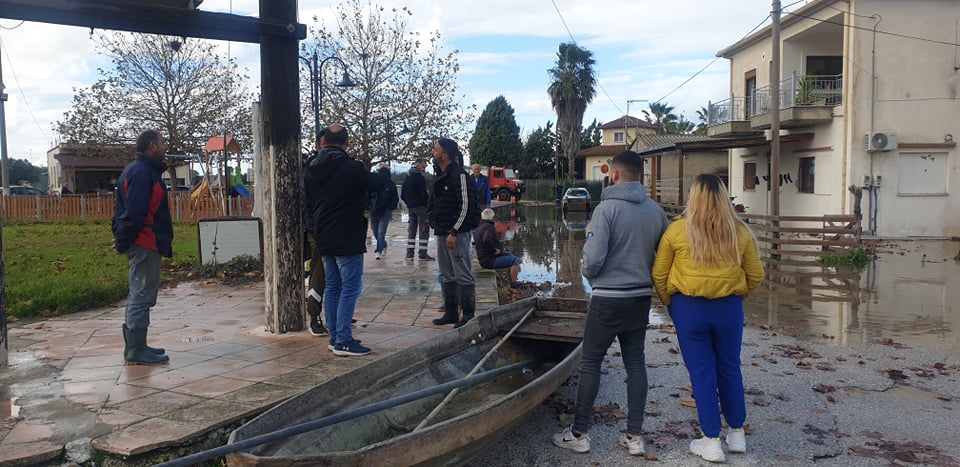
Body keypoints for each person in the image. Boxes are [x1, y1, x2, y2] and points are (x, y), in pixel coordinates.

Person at [552, 150, 668, 456]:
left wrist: (591, 278)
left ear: (613, 174)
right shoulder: (656, 212)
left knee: (591, 362)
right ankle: (634, 436)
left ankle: (579, 433)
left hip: (608, 299)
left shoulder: (606, 209)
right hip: (640, 298)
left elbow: (592, 259)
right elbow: (664, 257)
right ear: (641, 176)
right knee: (636, 363)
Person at [651, 173, 765, 463]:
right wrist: (736, 298)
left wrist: (672, 305)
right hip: (728, 309)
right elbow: (756, 275)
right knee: (729, 368)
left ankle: (711, 440)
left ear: (694, 198)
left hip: (689, 309)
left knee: (702, 374)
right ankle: (736, 433)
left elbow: (659, 274)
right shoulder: (739, 232)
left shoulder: (676, 231)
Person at [303, 124, 383, 356]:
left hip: (323, 236)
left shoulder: (310, 169)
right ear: (346, 143)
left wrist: (315, 229)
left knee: (333, 287)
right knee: (350, 287)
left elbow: (307, 205)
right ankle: (343, 340)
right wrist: (383, 174)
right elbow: (376, 184)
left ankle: (335, 337)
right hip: (347, 235)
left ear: (323, 141)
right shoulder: (351, 167)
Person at [111, 129, 173, 365]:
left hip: (146, 241)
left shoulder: (140, 171)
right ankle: (136, 350)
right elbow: (134, 213)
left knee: (142, 294)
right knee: (141, 295)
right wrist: (122, 241)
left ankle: (137, 346)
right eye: (162, 142)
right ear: (151, 147)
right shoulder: (141, 173)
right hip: (145, 241)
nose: (165, 146)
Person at [428, 138, 480, 328]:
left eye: (435, 150)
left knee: (463, 274)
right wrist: (432, 220)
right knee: (447, 274)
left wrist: (454, 232)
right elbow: (433, 201)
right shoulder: (440, 175)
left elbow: (466, 206)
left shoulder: (459, 175)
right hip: (442, 231)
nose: (432, 152)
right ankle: (451, 313)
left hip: (456, 234)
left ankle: (468, 314)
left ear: (445, 155)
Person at [303, 129, 328, 338]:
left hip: (331, 229)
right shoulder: (311, 169)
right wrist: (313, 228)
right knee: (318, 274)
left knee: (332, 275)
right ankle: (314, 315)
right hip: (317, 231)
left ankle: (336, 313)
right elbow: (306, 203)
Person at [473, 208, 522, 288]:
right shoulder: (489, 227)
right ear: (492, 217)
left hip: (483, 259)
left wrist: (500, 251)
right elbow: (487, 239)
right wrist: (495, 250)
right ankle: (513, 283)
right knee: (515, 260)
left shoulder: (479, 228)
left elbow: (480, 242)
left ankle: (510, 279)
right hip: (489, 261)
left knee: (509, 255)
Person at [401, 159, 433, 261]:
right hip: (420, 207)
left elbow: (402, 194)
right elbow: (423, 194)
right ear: (418, 166)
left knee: (412, 230)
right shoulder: (420, 178)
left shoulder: (407, 178)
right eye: (423, 167)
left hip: (411, 207)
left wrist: (409, 203)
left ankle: (409, 254)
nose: (424, 169)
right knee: (424, 229)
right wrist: (426, 204)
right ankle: (422, 254)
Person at [368, 162, 399, 260]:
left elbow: (394, 197)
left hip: (384, 210)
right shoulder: (375, 182)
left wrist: (390, 207)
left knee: (381, 232)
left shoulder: (390, 184)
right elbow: (367, 194)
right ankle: (383, 245)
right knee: (376, 231)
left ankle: (378, 250)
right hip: (373, 209)